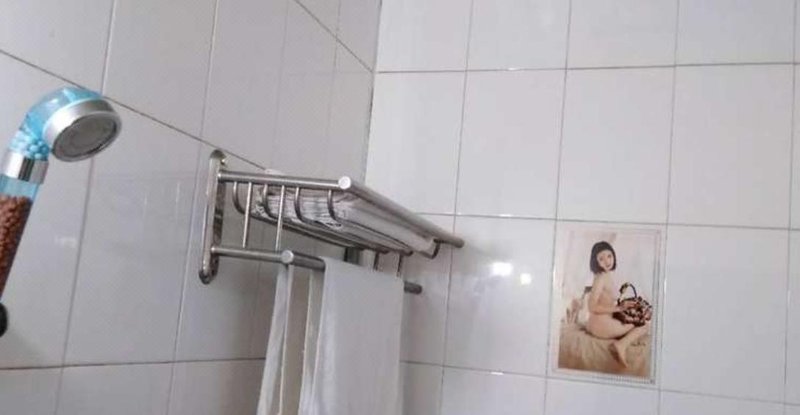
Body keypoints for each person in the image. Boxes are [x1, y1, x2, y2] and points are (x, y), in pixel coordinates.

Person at [584, 241, 649, 367]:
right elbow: (591, 307)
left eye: (609, 256)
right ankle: (621, 345)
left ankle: (623, 341)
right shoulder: (601, 278)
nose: (607, 261)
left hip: (599, 322)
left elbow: (606, 299)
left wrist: (624, 305)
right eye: (601, 259)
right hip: (600, 324)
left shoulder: (606, 275)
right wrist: (619, 308)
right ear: (596, 262)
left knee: (636, 317)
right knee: (644, 325)